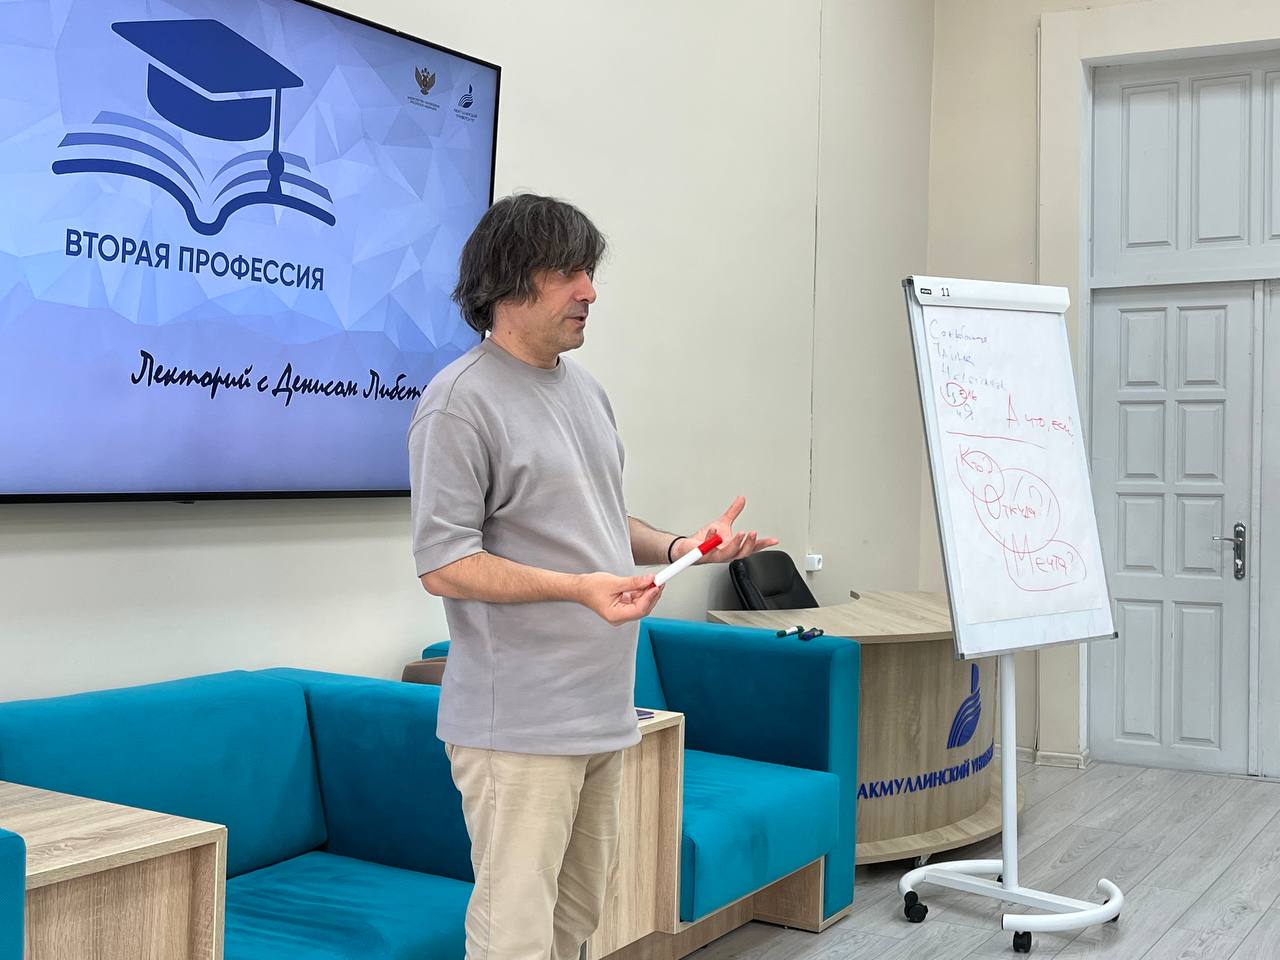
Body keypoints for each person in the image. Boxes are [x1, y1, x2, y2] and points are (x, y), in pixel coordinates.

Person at [408, 193, 777, 960]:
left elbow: (600, 520)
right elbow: (444, 564)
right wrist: (577, 588)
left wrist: (684, 547)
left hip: (603, 710)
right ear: (511, 281)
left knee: (576, 924)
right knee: (513, 938)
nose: (590, 292)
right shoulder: (458, 403)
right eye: (570, 273)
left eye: (590, 273)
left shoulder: (585, 390)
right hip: (518, 726)